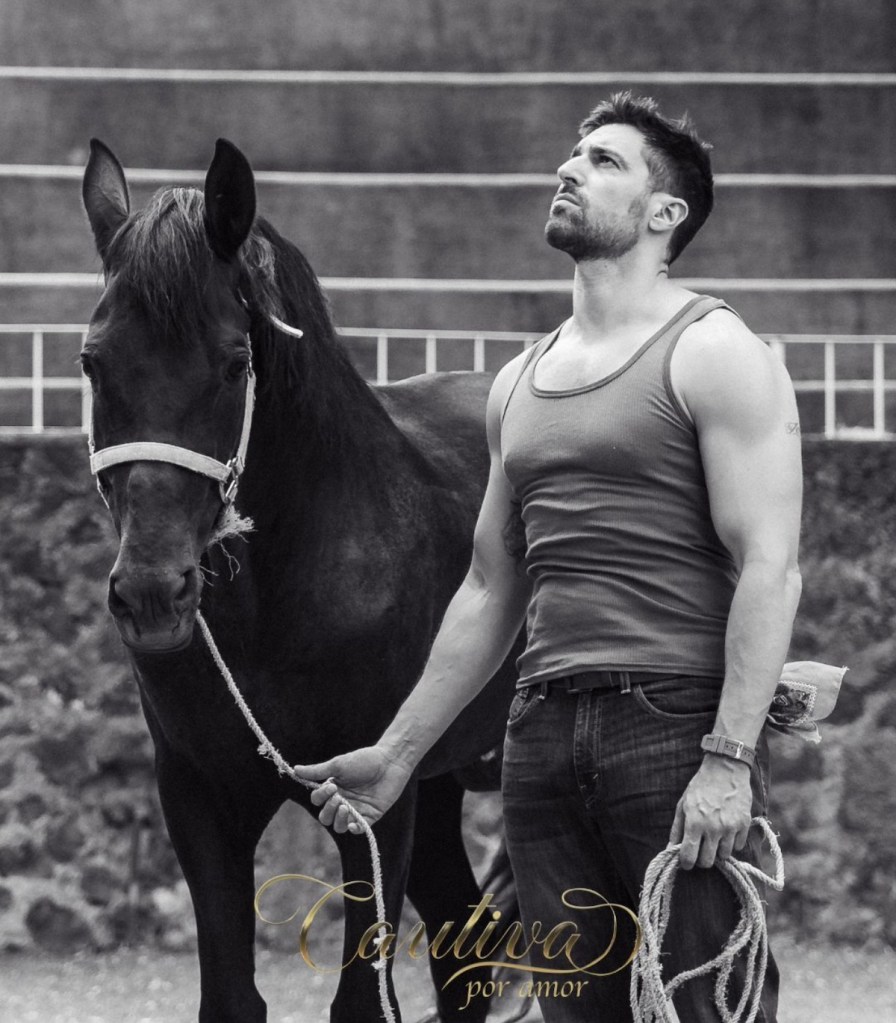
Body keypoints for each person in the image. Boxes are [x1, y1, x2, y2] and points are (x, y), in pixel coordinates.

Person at [296, 93, 802, 1022]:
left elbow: (770, 564)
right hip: (538, 728)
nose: (570, 168)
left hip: (674, 721)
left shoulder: (717, 351)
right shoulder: (519, 381)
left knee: (707, 999)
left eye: (604, 161)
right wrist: (399, 753)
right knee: (576, 1008)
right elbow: (491, 585)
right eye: (573, 155)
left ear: (665, 214)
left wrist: (729, 757)